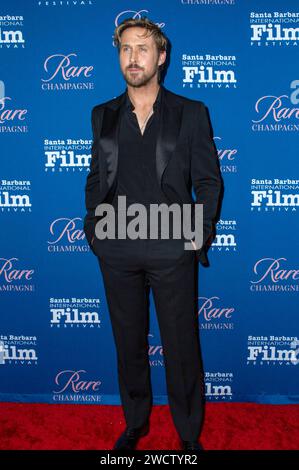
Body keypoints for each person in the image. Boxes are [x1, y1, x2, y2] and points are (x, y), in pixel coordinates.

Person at [83, 17, 222, 451]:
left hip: (171, 245)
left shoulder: (191, 113)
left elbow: (209, 181)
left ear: (161, 56)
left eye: (143, 48)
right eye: (125, 49)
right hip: (117, 244)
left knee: (181, 347)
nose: (133, 58)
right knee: (128, 345)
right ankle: (135, 424)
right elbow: (95, 178)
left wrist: (198, 232)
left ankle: (187, 434)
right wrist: (95, 229)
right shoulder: (102, 114)